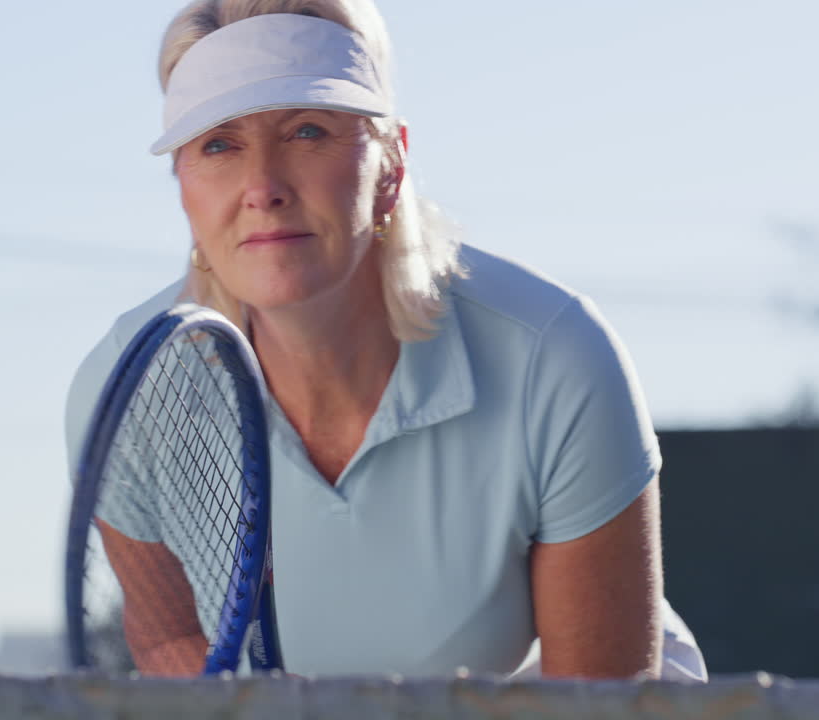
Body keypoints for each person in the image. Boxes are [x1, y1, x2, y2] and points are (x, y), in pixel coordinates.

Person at [65, 0, 707, 681]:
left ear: (391, 166)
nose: (263, 187)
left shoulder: (557, 357)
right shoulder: (122, 390)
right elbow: (170, 639)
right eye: (219, 145)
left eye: (307, 131)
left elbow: (599, 699)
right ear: (182, 186)